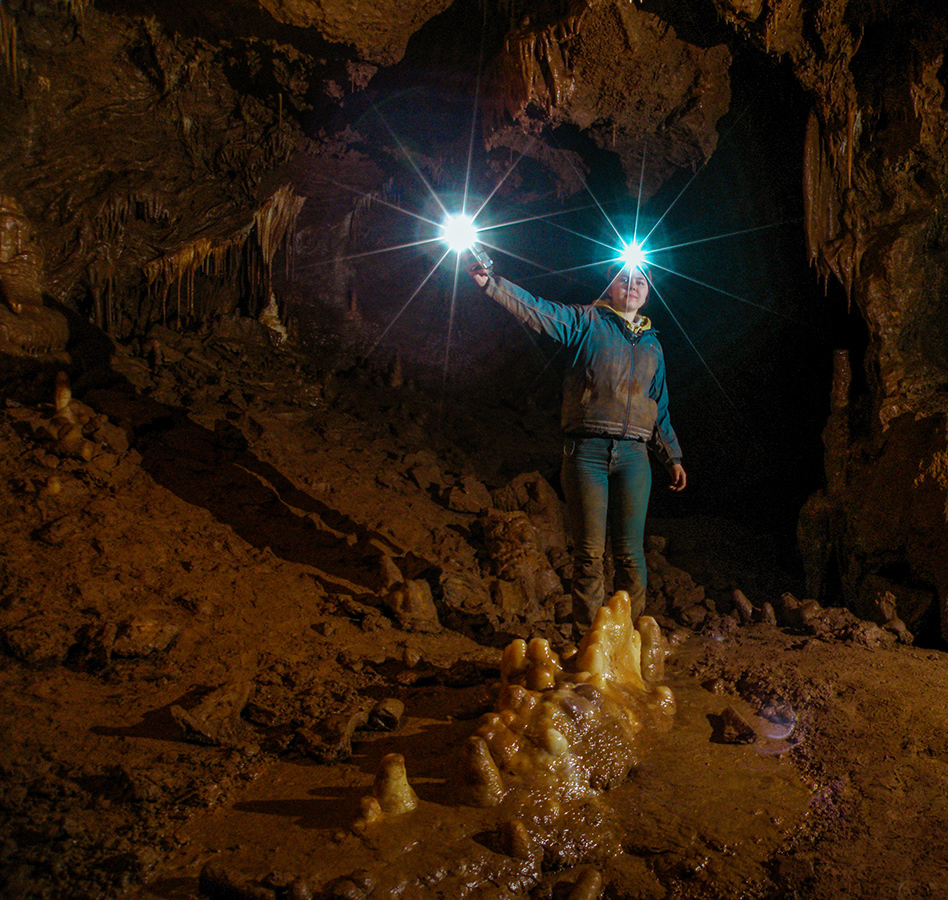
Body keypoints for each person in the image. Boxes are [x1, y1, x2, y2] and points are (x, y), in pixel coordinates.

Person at [466, 257, 686, 631]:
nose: (631, 285)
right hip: (586, 452)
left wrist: (673, 457)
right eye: (623, 278)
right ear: (610, 286)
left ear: (647, 294)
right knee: (589, 554)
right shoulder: (587, 321)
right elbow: (537, 311)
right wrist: (491, 284)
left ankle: (627, 644)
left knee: (631, 554)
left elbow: (658, 406)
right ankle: (590, 644)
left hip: (634, 456)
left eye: (640, 282)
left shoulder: (653, 346)